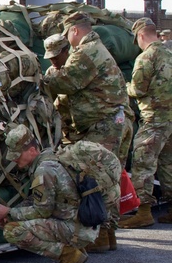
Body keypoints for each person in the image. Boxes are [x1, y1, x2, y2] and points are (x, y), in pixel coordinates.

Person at [0, 125, 96, 263]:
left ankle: (68, 254)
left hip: (73, 228)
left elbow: (42, 211)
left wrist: (9, 212)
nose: (14, 159)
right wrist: (13, 213)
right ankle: (73, 251)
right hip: (80, 224)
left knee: (12, 230)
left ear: (32, 150)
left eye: (18, 154)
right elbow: (37, 200)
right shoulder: (52, 157)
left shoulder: (44, 170)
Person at [41, 12, 132, 163]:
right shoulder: (94, 47)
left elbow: (66, 83)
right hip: (111, 121)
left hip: (105, 125)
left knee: (98, 175)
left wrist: (41, 79)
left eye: (67, 33)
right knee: (109, 174)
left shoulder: (87, 51)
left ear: (74, 31)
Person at [123, 17, 172, 228]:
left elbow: (138, 89)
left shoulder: (146, 57)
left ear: (141, 35)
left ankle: (143, 212)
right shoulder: (169, 53)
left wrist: (124, 86)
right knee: (168, 164)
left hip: (154, 118)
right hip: (170, 119)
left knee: (143, 162)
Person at [43, 33, 75, 135]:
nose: (53, 62)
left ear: (66, 52)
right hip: (66, 127)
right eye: (50, 58)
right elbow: (48, 100)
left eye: (56, 57)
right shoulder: (51, 72)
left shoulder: (76, 68)